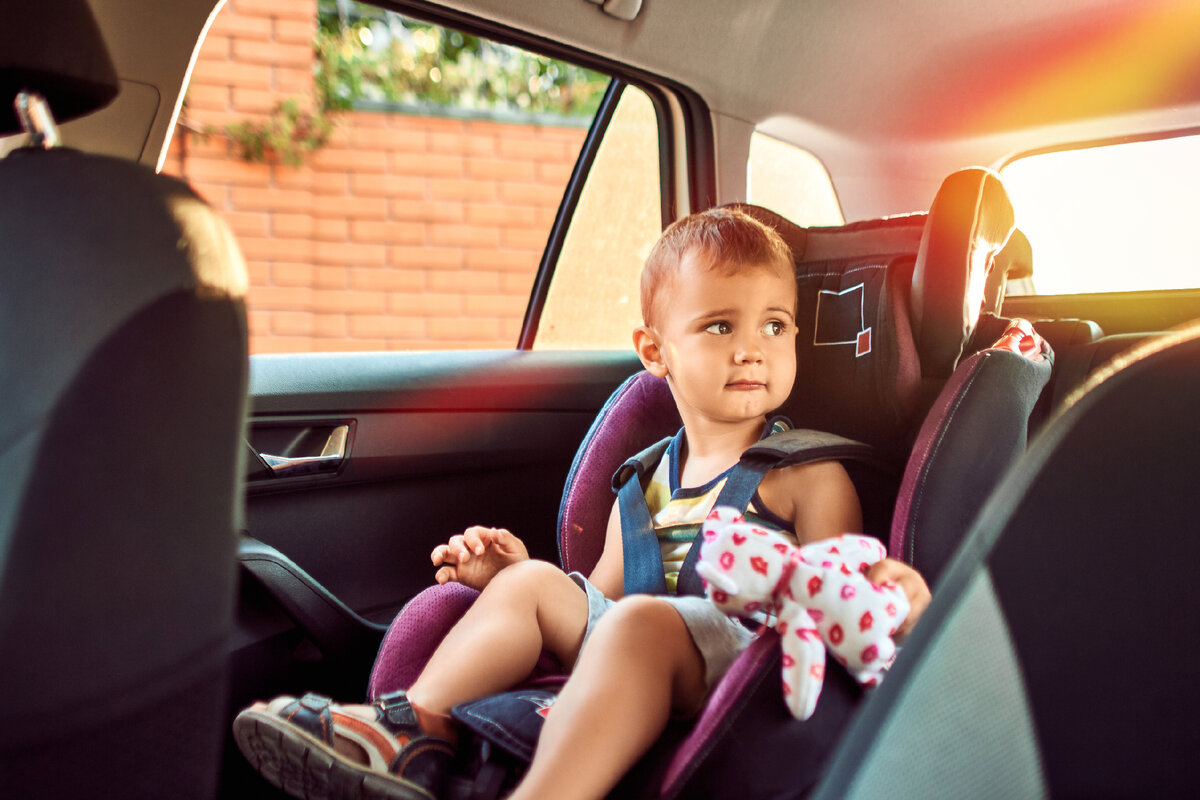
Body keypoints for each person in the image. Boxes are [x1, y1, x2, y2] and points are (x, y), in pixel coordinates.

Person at [233, 207, 932, 800]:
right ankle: (412, 734)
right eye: (722, 326)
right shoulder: (647, 474)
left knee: (643, 627)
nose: (753, 349)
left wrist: (888, 590)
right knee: (539, 583)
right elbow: (599, 599)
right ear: (655, 352)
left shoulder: (809, 474)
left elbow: (832, 593)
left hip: (741, 657)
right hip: (644, 635)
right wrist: (515, 578)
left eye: (775, 326)